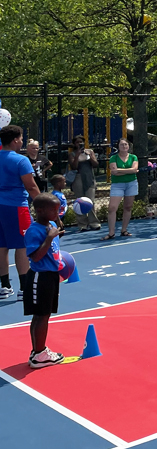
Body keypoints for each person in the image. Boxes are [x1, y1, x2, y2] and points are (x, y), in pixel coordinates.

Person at [22, 193, 66, 368]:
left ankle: (37, 351)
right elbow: (36, 256)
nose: (57, 212)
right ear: (39, 211)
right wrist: (49, 238)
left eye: (58, 209)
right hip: (40, 276)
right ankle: (39, 354)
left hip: (51, 275)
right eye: (53, 210)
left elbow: (53, 244)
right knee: (40, 316)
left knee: (44, 314)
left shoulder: (52, 224)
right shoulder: (34, 231)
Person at [0, 125, 41, 302]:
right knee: (22, 246)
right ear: (15, 140)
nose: (22, 141)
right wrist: (43, 206)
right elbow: (31, 186)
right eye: (22, 138)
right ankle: (24, 288)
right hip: (16, 206)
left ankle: (4, 286)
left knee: (2, 246)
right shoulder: (20, 160)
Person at [105, 138, 138, 240]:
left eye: (126, 144)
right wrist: (130, 171)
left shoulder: (133, 157)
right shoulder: (113, 158)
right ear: (118, 146)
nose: (124, 146)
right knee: (112, 208)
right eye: (122, 145)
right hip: (117, 184)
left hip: (131, 183)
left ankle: (124, 230)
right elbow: (114, 172)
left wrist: (120, 170)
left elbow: (134, 170)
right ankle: (111, 232)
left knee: (128, 207)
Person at [68, 135, 100, 231]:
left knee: (90, 201)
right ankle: (82, 224)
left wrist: (90, 157)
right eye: (77, 142)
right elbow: (74, 166)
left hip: (89, 178)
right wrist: (77, 155)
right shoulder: (72, 154)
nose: (79, 144)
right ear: (74, 144)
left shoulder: (89, 152)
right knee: (80, 201)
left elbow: (96, 164)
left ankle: (94, 222)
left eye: (81, 142)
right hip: (78, 178)